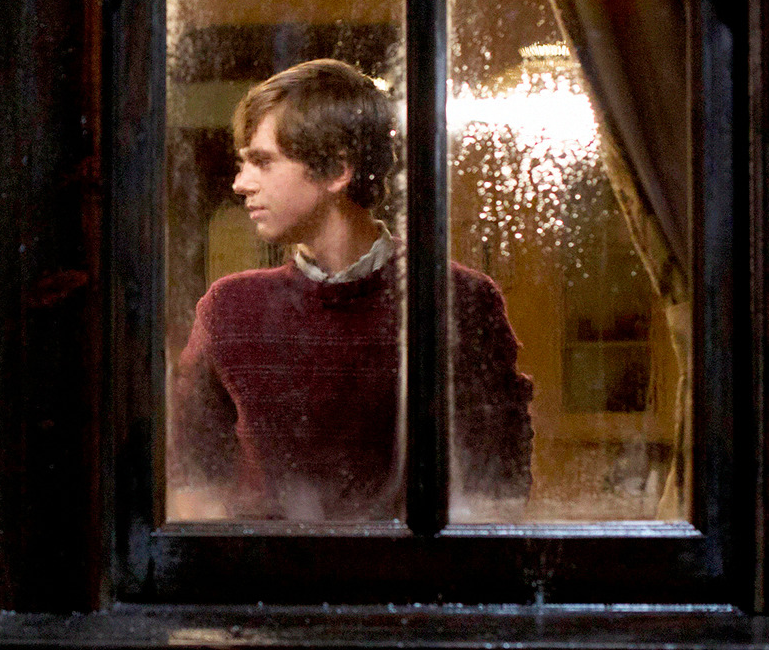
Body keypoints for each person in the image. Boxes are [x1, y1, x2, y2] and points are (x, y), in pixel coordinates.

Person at [170, 59, 533, 521]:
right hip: (265, 566)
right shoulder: (229, 309)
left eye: (262, 161)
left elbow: (498, 490)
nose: (241, 184)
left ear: (336, 172)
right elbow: (192, 484)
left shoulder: (457, 300)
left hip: (412, 567)